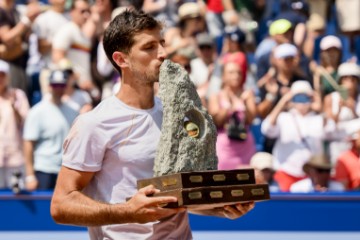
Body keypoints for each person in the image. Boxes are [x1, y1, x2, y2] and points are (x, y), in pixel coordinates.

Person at [50, 10, 255, 240]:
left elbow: (174, 199)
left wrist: (220, 208)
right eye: (149, 47)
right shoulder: (94, 123)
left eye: (162, 44)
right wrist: (126, 212)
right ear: (121, 59)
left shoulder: (178, 115)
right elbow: (61, 205)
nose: (163, 54)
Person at [23, 69, 79, 191]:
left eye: (62, 85)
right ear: (49, 86)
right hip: (44, 169)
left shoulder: (73, 111)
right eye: (55, 85)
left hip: (66, 169)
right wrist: (30, 175)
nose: (58, 88)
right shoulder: (37, 112)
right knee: (43, 208)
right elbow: (28, 144)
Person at [208, 52, 257, 170]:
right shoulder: (216, 96)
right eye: (231, 72)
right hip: (224, 147)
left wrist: (245, 103)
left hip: (245, 145)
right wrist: (228, 107)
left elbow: (251, 120)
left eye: (239, 72)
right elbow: (216, 121)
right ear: (223, 76)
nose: (236, 76)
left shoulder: (247, 94)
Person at [0, 60, 30, 190]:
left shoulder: (18, 95)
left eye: (2, 75)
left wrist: (14, 107)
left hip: (15, 157)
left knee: (17, 194)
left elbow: (26, 124)